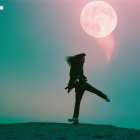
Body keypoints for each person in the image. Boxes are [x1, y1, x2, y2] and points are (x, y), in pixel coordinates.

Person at [65, 53, 110, 124]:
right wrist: (71, 86)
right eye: (83, 59)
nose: (84, 60)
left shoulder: (75, 66)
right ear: (80, 59)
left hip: (80, 84)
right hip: (81, 85)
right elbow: (73, 76)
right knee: (78, 102)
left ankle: (105, 97)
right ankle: (75, 119)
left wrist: (74, 83)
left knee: (92, 92)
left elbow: (76, 75)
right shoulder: (78, 65)